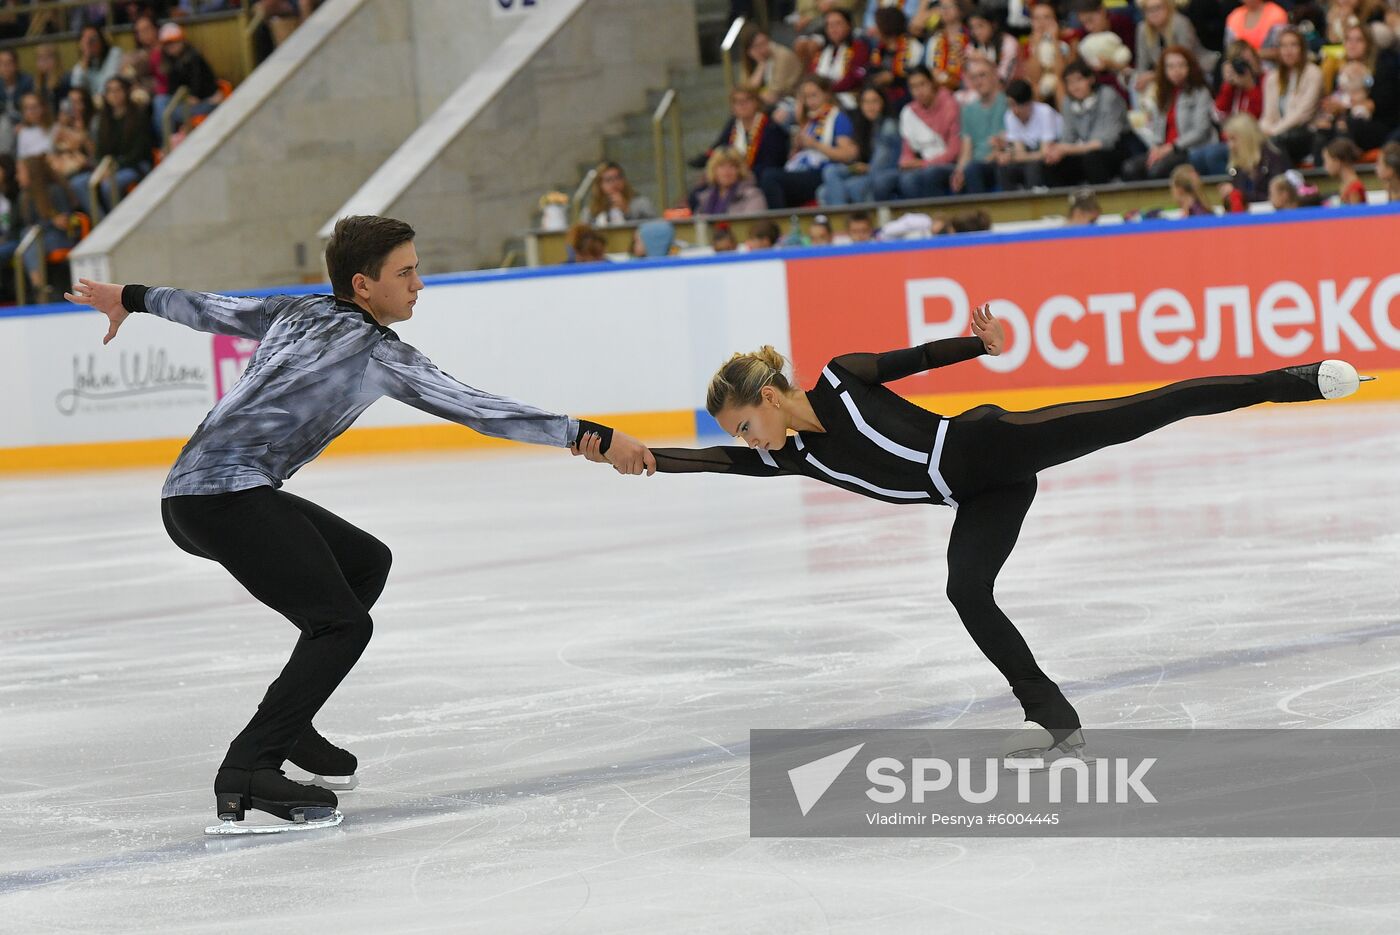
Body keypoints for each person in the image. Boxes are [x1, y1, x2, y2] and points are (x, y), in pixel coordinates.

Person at [62, 215, 654, 830]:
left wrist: (129, 297)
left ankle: (290, 723)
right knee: (342, 626)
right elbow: (478, 409)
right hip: (223, 498)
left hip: (194, 495)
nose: (418, 285)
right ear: (363, 284)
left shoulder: (295, 312)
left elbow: (207, 308)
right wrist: (590, 436)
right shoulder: (376, 352)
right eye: (406, 272)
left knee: (365, 562)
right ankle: (247, 768)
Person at [574, 310, 1371, 759]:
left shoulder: (844, 380)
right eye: (741, 432)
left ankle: (1298, 381)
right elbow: (715, 462)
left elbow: (914, 356)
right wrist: (648, 458)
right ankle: (1053, 715)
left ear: (774, 397)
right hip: (979, 496)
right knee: (965, 588)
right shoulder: (794, 458)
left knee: (1147, 407)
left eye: (749, 423)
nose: (748, 440)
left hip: (992, 446)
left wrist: (977, 346)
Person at [760, 75, 859, 209]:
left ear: (826, 94)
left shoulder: (837, 118)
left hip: (823, 172)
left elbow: (848, 155)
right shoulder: (810, 121)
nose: (810, 101)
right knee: (768, 176)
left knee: (770, 177)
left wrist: (815, 145)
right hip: (804, 170)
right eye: (806, 97)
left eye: (814, 95)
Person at [1121, 47, 1213, 181]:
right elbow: (1156, 129)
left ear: (1190, 67)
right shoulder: (1163, 94)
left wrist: (1171, 147)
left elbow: (1200, 131)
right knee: (1130, 168)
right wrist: (1156, 149)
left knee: (1156, 171)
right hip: (1164, 148)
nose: (1176, 71)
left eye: (1181, 65)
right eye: (1170, 67)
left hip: (1188, 149)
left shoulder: (1200, 92)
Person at [73, 76, 153, 215]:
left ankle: (119, 221)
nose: (114, 95)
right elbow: (99, 151)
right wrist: (102, 167)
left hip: (133, 165)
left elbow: (138, 152)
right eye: (110, 91)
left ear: (126, 92)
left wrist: (113, 167)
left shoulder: (139, 116)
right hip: (109, 166)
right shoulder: (102, 120)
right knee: (78, 183)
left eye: (118, 90)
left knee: (108, 186)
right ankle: (102, 221)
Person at [1045, 57, 1131, 185]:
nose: (1075, 87)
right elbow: (1068, 138)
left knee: (1092, 159)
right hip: (1086, 151)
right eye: (1070, 83)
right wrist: (1057, 151)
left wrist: (1066, 148)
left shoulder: (1108, 96)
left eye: (1079, 80)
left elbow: (1105, 142)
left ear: (1091, 79)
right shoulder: (1068, 102)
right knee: (1053, 162)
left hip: (1116, 150)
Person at [1189, 41, 1265, 177]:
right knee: (1195, 157)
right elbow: (1218, 116)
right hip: (1231, 140)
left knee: (1213, 155)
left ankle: (1236, 186)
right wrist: (1228, 85)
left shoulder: (1264, 81)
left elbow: (1257, 117)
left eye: (1248, 60)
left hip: (1254, 138)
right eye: (1239, 62)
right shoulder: (1232, 87)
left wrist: (1250, 87)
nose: (1244, 66)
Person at [886, 65, 962, 199]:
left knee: (913, 180)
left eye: (922, 84)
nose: (919, 91)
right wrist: (906, 162)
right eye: (913, 87)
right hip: (921, 166)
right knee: (882, 182)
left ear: (932, 83)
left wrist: (922, 164)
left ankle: (928, 218)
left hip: (946, 165)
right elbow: (907, 151)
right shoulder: (909, 112)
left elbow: (953, 152)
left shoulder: (951, 105)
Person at [818, 83, 901, 205]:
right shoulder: (863, 125)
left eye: (874, 101)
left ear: (883, 103)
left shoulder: (889, 125)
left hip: (885, 173)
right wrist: (858, 167)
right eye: (866, 102)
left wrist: (864, 168)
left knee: (852, 187)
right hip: (865, 171)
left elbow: (880, 166)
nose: (870, 106)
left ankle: (843, 219)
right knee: (827, 178)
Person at [15, 156, 77, 303]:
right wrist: (49, 222)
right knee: (28, 237)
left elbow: (65, 220)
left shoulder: (54, 191)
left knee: (29, 238)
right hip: (40, 239)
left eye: (20, 172)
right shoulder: (24, 197)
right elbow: (29, 224)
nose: (17, 177)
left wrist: (50, 223)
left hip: (59, 237)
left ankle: (38, 285)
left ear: (32, 173)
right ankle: (39, 285)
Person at [1259, 27, 1323, 165]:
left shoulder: (1313, 73)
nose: (1288, 50)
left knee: (1275, 143)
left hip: (1305, 132)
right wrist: (1263, 131)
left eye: (1293, 45)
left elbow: (1302, 114)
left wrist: (1274, 131)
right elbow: (1268, 114)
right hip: (1278, 133)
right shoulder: (1272, 77)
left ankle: (1286, 183)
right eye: (1284, 46)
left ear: (1302, 48)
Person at [952, 57, 1007, 194]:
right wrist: (959, 171)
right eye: (973, 78)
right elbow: (966, 150)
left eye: (982, 75)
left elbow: (1008, 142)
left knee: (973, 170)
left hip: (1000, 162)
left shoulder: (1007, 103)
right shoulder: (967, 110)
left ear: (994, 75)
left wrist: (992, 156)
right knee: (960, 175)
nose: (978, 82)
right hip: (976, 164)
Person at [994, 77, 1060, 190]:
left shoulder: (1045, 112)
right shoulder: (1010, 116)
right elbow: (1020, 152)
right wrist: (1010, 156)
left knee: (1033, 167)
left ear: (1029, 103)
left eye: (1017, 105)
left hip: (1056, 160)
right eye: (1011, 105)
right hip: (1033, 156)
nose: (1015, 111)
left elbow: (1045, 152)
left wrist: (1016, 156)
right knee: (1004, 168)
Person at [1217, 113, 1290, 211]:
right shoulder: (1238, 165)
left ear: (1247, 137)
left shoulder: (1274, 159)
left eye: (1233, 139)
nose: (1230, 146)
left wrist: (1240, 194)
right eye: (1228, 140)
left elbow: (1278, 198)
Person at [739, 27, 803, 125]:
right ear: (749, 50)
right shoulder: (753, 61)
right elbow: (745, 90)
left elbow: (773, 96)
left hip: (792, 99)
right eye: (757, 46)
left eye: (765, 43)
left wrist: (751, 97)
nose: (763, 48)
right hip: (766, 103)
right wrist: (761, 65)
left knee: (774, 118)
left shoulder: (782, 56)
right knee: (741, 113)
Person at [808, 9, 870, 110]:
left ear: (849, 26)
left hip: (846, 99)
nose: (833, 28)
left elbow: (854, 78)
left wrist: (827, 92)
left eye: (838, 24)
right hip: (820, 98)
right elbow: (812, 77)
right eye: (829, 25)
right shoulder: (822, 51)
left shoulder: (859, 48)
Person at [866, 6, 925, 107]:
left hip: (907, 100)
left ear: (887, 26)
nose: (874, 29)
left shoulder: (912, 47)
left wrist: (893, 78)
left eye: (877, 25)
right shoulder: (879, 49)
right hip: (882, 101)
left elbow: (916, 77)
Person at [693, 148, 767, 216]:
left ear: (740, 170)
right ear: (713, 170)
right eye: (721, 166)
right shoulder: (705, 198)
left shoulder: (753, 196)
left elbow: (752, 225)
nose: (727, 171)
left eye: (732, 166)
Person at [580, 161, 656, 227]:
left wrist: (627, 211)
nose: (614, 183)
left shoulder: (641, 203)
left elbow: (653, 225)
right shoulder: (591, 210)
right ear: (600, 185)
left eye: (618, 178)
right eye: (608, 180)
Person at [923, 0, 973, 91]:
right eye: (942, 7)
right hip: (939, 88)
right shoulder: (934, 39)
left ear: (960, 10)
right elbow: (930, 68)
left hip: (966, 87)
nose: (945, 10)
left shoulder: (971, 37)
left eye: (949, 6)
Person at [966, 6, 1020, 87]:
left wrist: (986, 61)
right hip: (980, 92)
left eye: (980, 26)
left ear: (994, 25)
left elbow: (1003, 80)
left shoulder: (1009, 43)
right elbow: (971, 81)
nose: (976, 32)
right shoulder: (971, 47)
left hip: (1008, 91)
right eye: (972, 28)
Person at [68, 25, 124, 99]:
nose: (90, 43)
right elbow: (76, 89)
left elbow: (108, 81)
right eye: (86, 40)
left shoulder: (114, 53)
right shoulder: (80, 67)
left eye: (93, 39)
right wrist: (85, 59)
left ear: (101, 40)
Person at [1322, 137, 1367, 205]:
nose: (1325, 166)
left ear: (1337, 161)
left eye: (1326, 161)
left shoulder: (1354, 188)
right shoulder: (1345, 184)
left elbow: (1355, 214)